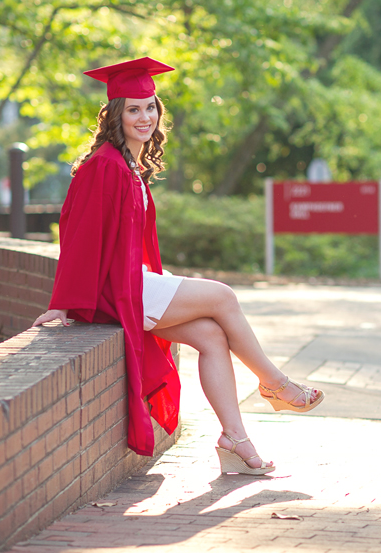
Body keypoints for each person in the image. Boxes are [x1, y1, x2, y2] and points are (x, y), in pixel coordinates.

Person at [32, 57, 323, 475]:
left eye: (150, 107)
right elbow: (79, 237)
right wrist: (62, 304)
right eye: (133, 109)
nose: (145, 116)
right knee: (223, 297)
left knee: (210, 335)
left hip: (133, 283)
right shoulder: (104, 167)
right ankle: (277, 385)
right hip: (116, 292)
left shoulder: (129, 166)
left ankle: (235, 440)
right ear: (115, 114)